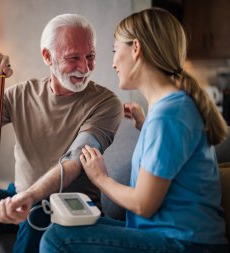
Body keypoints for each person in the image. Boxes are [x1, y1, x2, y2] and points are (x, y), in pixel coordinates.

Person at [0, 13, 123, 253]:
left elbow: (74, 162)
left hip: (69, 207)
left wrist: (29, 197)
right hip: (20, 196)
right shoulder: (21, 94)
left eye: (90, 56)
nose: (85, 67)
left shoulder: (106, 103)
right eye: (73, 57)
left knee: (37, 210)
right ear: (48, 57)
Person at [40, 8, 229, 253]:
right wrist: (145, 126)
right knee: (56, 224)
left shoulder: (170, 115)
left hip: (185, 243)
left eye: (115, 50)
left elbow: (143, 204)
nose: (113, 62)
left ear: (136, 49)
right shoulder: (169, 110)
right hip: (168, 236)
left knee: (58, 239)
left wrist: (100, 178)